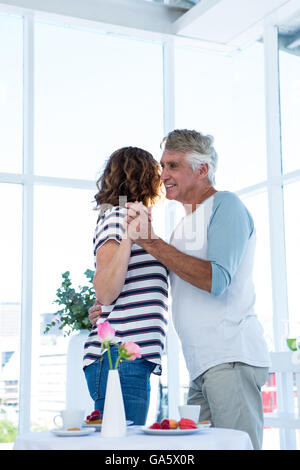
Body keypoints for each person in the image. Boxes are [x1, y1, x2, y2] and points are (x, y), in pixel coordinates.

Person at [89, 129, 271, 449]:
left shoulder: (225, 205)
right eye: (162, 166)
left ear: (201, 170)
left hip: (230, 356)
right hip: (201, 365)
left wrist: (150, 241)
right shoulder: (182, 226)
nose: (163, 176)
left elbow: (216, 279)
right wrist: (102, 307)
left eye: (173, 165)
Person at [83, 146, 168, 425]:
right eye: (159, 173)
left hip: (128, 359)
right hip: (118, 360)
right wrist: (131, 239)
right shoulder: (117, 218)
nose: (163, 179)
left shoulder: (131, 222)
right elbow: (106, 292)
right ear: (145, 177)